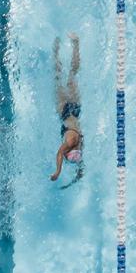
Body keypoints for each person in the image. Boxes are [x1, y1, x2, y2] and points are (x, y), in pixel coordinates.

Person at [51, 34, 83, 183]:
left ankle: (73, 44)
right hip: (66, 110)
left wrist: (77, 176)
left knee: (71, 75)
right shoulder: (71, 142)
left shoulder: (80, 144)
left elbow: (81, 165)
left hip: (75, 110)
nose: (64, 155)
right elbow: (59, 153)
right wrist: (58, 171)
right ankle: (58, 48)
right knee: (61, 76)